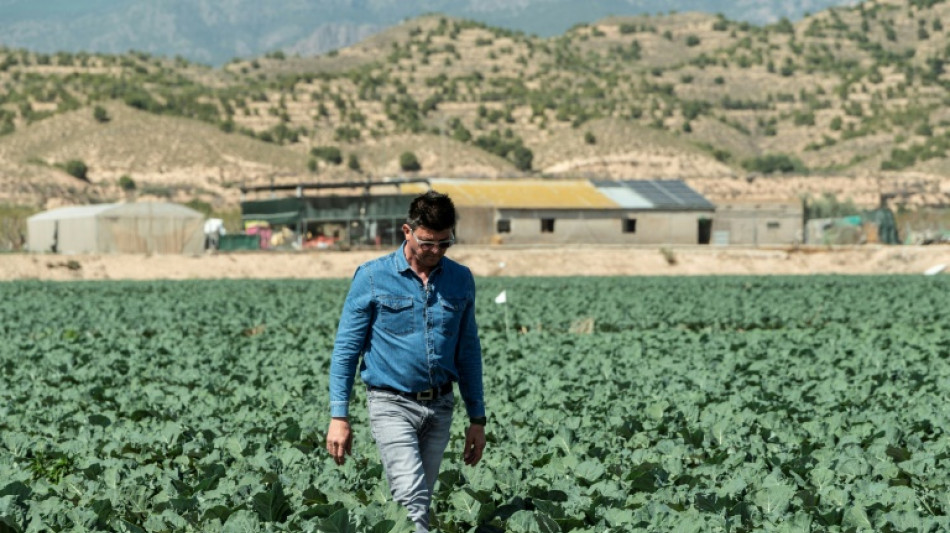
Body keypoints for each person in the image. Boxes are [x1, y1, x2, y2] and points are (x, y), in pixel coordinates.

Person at [326, 191, 487, 532]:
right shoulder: (372, 278)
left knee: (419, 501)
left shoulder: (461, 279)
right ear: (407, 231)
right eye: (428, 242)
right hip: (391, 404)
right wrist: (339, 415)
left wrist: (477, 418)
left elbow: (468, 352)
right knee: (411, 499)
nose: (436, 251)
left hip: (441, 405)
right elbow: (345, 350)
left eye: (445, 243)